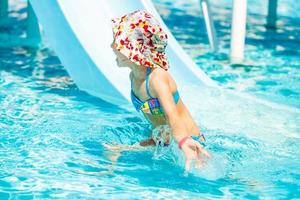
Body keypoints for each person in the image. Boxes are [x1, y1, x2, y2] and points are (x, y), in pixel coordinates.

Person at [110, 10, 210, 171]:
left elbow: (172, 116)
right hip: (164, 140)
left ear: (134, 49)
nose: (112, 47)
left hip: (189, 141)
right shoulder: (133, 77)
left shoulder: (157, 79)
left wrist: (184, 141)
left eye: (117, 43)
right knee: (112, 150)